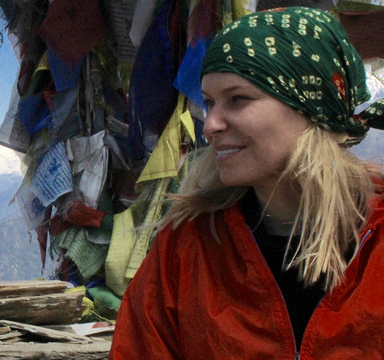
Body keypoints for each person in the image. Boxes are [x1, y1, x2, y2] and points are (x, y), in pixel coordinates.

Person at [110, 7, 384, 359]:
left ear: (311, 106)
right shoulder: (187, 249)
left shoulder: (375, 240)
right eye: (209, 103)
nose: (209, 125)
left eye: (237, 99)